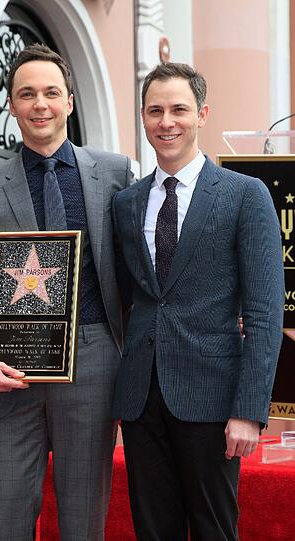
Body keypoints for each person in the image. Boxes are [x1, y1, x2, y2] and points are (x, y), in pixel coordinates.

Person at [0, 44, 133, 541]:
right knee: (3, 520)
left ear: (69, 101)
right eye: (27, 94)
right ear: (11, 105)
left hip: (92, 366)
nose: (40, 104)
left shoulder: (114, 174)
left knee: (82, 521)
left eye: (51, 92)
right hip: (9, 371)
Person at [112, 62, 284, 541]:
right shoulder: (127, 203)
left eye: (179, 109)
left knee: (214, 530)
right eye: (155, 111)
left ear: (202, 113)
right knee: (153, 530)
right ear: (143, 118)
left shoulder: (245, 196)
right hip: (141, 399)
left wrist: (249, 410)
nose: (167, 121)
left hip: (213, 401)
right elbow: (129, 299)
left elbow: (266, 314)